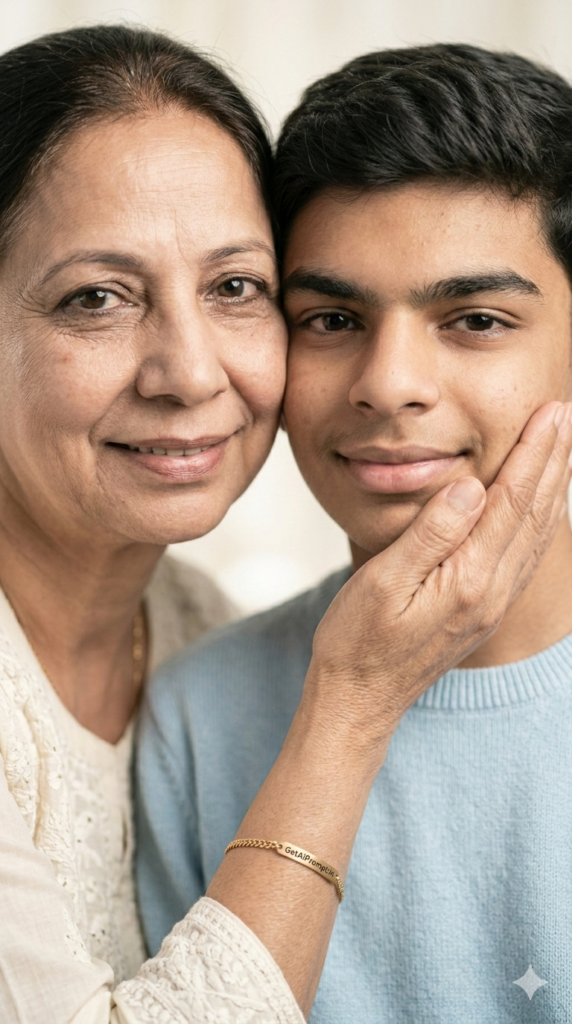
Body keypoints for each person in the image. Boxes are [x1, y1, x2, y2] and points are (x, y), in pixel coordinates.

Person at [2, 25, 564, 1024]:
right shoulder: (204, 710)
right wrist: (350, 702)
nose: (390, 385)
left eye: (234, 288)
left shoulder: (182, 628)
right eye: (96, 297)